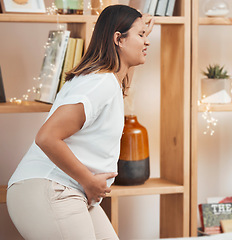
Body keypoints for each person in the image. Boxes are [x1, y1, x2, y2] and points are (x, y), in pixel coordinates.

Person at [6, 5, 154, 240]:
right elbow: (47, 137)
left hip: (71, 189)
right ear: (119, 39)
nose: (147, 42)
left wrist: (142, 29)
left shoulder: (105, 81)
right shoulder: (100, 83)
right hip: (51, 187)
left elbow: (123, 84)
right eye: (141, 36)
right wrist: (89, 181)